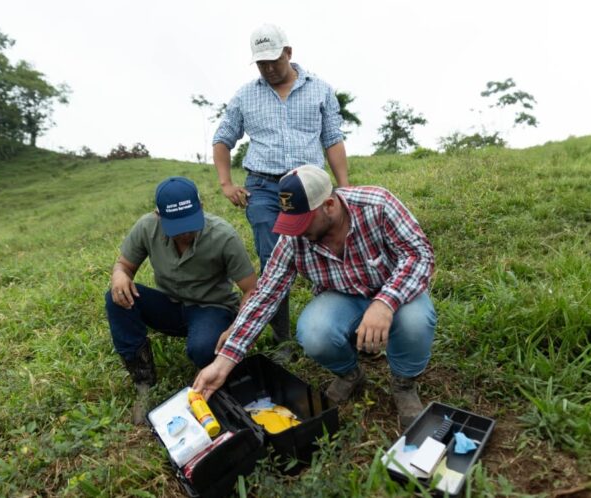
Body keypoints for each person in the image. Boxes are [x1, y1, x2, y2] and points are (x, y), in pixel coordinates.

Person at [194, 166, 437, 427]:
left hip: (395, 291)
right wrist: (223, 363)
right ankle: (350, 374)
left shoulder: (377, 205)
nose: (296, 231)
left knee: (415, 321)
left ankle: (403, 383)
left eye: (303, 221)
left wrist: (385, 303)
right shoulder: (293, 238)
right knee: (313, 331)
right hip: (343, 297)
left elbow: (420, 254)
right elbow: (265, 295)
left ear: (329, 205)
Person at [212, 23, 350, 353]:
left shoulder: (320, 90)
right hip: (264, 188)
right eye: (262, 63)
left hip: (310, 186)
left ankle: (339, 323)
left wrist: (344, 186)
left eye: (274, 60)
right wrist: (226, 183)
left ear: (288, 52)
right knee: (272, 260)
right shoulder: (245, 95)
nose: (270, 68)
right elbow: (223, 138)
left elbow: (332, 139)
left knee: (328, 248)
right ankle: (282, 339)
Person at [105, 176, 257, 424]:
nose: (186, 233)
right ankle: (144, 382)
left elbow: (251, 289)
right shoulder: (146, 227)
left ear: (201, 207)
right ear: (158, 216)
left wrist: (236, 328)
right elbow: (124, 265)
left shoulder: (223, 236)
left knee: (203, 348)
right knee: (116, 298)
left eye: (190, 223)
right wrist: (119, 276)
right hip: (170, 304)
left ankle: (209, 378)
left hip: (211, 308)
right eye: (177, 227)